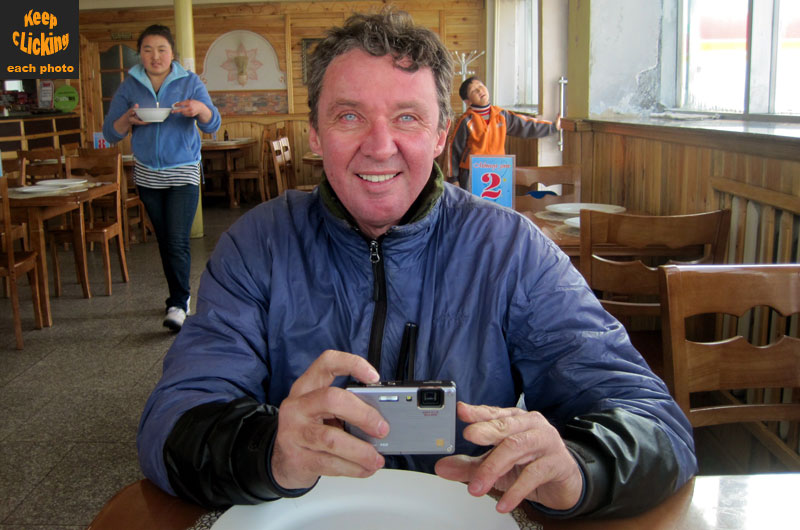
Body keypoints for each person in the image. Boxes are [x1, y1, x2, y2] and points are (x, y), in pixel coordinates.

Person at [137, 11, 696, 518]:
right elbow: (171, 423)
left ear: (438, 137)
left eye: (407, 118)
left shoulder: (511, 250)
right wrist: (269, 449)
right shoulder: (255, 246)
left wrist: (580, 466)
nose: (379, 147)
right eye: (349, 115)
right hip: (302, 516)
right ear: (315, 135)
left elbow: (656, 421)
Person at [103, 24, 221, 331]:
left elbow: (213, 124)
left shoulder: (189, 81)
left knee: (177, 240)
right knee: (165, 240)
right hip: (147, 175)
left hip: (183, 171)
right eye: (147, 50)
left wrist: (200, 109)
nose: (155, 56)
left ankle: (179, 303)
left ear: (172, 54)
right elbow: (109, 132)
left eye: (162, 50)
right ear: (139, 54)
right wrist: (126, 119)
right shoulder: (130, 85)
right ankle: (178, 296)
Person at [447, 77, 559, 189]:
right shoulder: (466, 121)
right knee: (473, 205)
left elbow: (526, 125)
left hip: (498, 170)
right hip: (471, 173)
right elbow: (453, 149)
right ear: (468, 101)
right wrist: (454, 179)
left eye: (480, 85)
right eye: (473, 90)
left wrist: (553, 127)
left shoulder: (501, 115)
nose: (479, 90)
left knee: (497, 204)